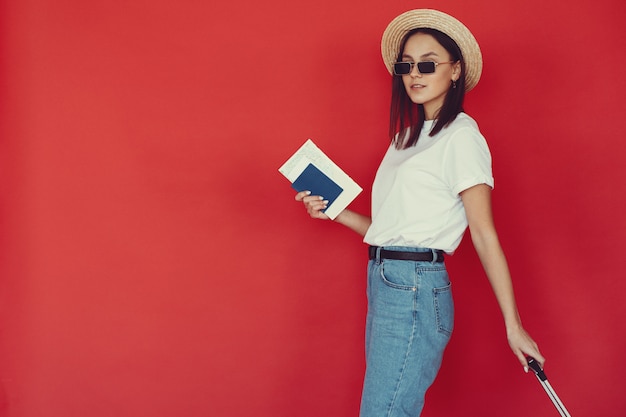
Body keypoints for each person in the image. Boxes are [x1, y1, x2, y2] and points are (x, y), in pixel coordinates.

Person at [294, 9, 544, 417]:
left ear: (456, 70)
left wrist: (512, 325)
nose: (415, 74)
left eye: (428, 63)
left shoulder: (462, 137)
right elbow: (390, 230)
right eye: (406, 65)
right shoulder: (406, 138)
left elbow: (484, 233)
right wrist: (333, 213)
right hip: (385, 280)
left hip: (413, 287)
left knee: (385, 411)